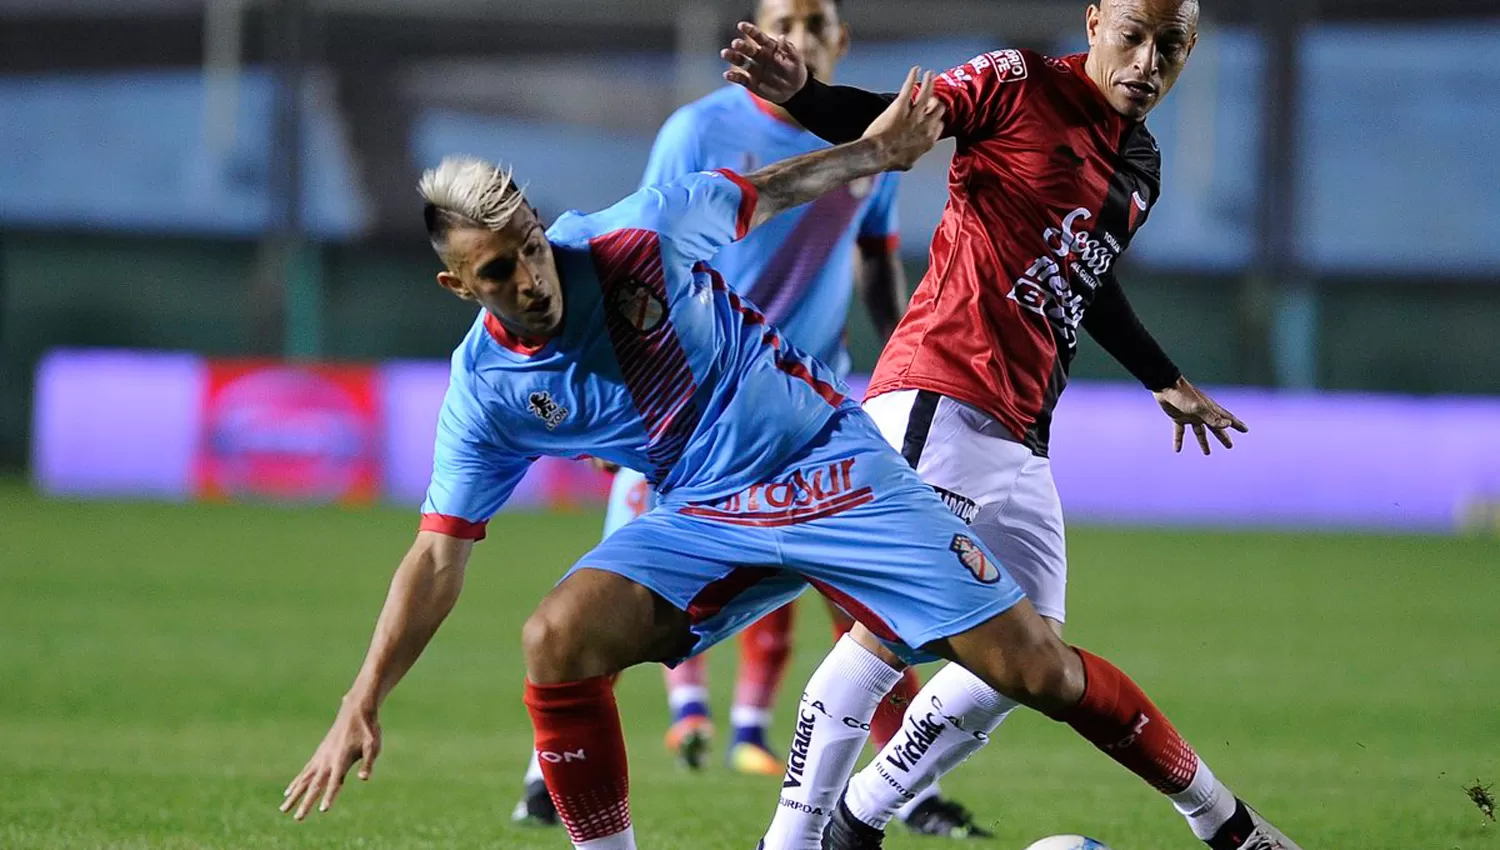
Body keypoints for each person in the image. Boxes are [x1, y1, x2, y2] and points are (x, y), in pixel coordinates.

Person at [277, 69, 1294, 850]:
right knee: (555, 637)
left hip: (836, 467)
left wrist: (878, 152)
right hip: (710, 511)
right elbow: (436, 556)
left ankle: (1230, 825)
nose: (531, 275)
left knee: (1035, 670)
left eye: (531, 246)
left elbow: (765, 188)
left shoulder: (636, 235)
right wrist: (360, 698)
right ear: (460, 285)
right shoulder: (486, 390)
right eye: (500, 269)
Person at [720, 1, 1279, 848]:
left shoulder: (1141, 163)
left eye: (1170, 46)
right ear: (1094, 22)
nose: (1146, 62)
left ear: (1190, 47)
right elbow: (894, 124)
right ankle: (794, 840)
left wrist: (1163, 378)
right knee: (887, 632)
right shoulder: (1014, 83)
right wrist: (806, 95)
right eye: (1131, 34)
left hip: (1019, 436)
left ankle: (860, 815)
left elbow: (1087, 275)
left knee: (1028, 666)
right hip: (938, 396)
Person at [509, 0, 984, 839]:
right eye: (785, 18)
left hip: (814, 410)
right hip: (691, 411)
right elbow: (635, 252)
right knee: (617, 592)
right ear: (758, 36)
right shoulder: (699, 129)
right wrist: (614, 391)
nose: (800, 33)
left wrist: (909, 363)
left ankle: (901, 790)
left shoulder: (874, 139)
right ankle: (546, 771)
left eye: (816, 20)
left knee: (871, 599)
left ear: (840, 42)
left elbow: (877, 265)